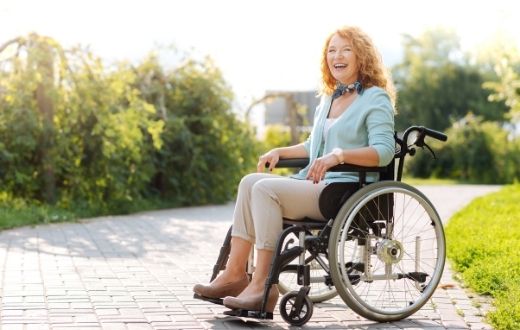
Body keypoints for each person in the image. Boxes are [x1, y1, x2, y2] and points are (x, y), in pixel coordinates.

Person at [193, 25, 396, 314]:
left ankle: (262, 286)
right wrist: (280, 152)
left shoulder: (375, 98)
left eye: (346, 49)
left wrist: (338, 156)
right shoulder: (330, 99)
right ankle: (235, 273)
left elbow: (384, 152)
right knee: (249, 181)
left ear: (362, 56)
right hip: (314, 183)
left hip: (344, 189)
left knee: (265, 189)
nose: (337, 56)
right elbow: (313, 145)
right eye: (331, 50)